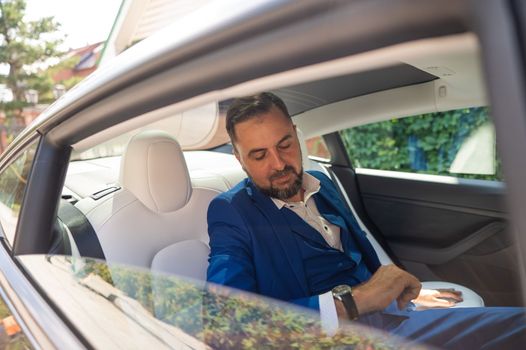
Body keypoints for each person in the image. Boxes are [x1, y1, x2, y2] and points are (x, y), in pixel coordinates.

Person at [206, 92, 526, 349]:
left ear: (295, 134)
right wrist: (356, 301)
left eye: (285, 144)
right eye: (259, 155)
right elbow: (228, 324)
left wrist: (398, 296)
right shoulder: (230, 212)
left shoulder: (323, 184)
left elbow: (359, 261)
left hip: (390, 319)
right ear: (239, 159)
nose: (278, 163)